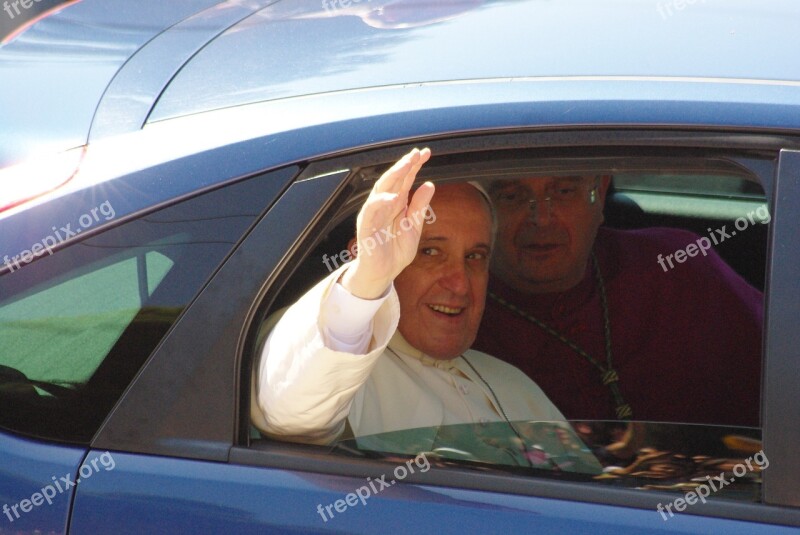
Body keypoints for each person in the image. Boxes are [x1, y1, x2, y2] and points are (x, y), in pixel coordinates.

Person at [252, 148, 565, 459]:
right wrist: (366, 282)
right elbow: (288, 413)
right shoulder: (330, 347)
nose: (459, 284)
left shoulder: (515, 384)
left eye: (475, 257)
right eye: (429, 252)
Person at [474, 175, 763, 427]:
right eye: (511, 196)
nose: (541, 218)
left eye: (564, 192)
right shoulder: (453, 310)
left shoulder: (679, 264)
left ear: (599, 193)